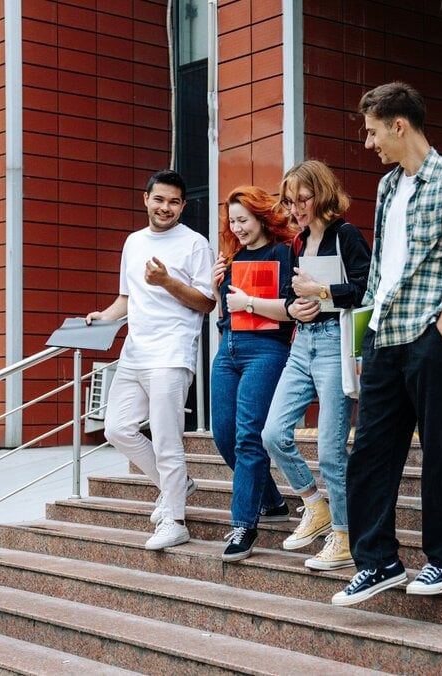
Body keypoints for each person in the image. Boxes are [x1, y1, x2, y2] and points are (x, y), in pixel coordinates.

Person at [332, 82, 442, 606]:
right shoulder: (387, 187)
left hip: (427, 336)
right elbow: (380, 272)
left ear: (399, 125)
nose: (369, 143)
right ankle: (378, 562)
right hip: (383, 337)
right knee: (369, 452)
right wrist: (363, 339)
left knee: (440, 451)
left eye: (374, 132)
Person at [86, 169, 215, 551]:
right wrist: (103, 317)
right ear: (146, 199)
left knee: (166, 439)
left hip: (172, 353)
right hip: (134, 352)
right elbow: (127, 298)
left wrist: (168, 282)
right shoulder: (133, 242)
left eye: (174, 202)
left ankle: (175, 520)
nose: (166, 207)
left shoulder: (195, 244)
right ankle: (175, 485)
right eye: (159, 199)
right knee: (117, 428)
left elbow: (206, 302)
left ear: (182, 206)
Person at [261, 160, 370, 571]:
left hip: (332, 345)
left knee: (329, 451)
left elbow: (365, 288)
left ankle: (343, 536)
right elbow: (294, 298)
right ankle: (314, 503)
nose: (295, 209)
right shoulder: (297, 243)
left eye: (301, 199)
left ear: (321, 193)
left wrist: (321, 291)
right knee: (272, 433)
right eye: (289, 202)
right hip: (301, 342)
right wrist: (297, 306)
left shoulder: (346, 235)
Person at [211, 186, 299, 562]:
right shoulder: (231, 259)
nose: (238, 228)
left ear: (261, 217)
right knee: (224, 434)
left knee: (249, 436)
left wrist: (247, 301)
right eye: (233, 222)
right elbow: (225, 313)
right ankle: (272, 500)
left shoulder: (282, 253)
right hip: (227, 348)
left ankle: (243, 526)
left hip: (266, 350)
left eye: (243, 220)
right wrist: (218, 290)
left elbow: (291, 309)